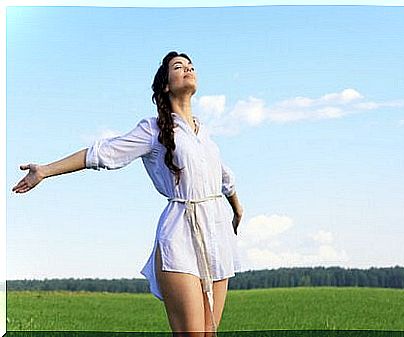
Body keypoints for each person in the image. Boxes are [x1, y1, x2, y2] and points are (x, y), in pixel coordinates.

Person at [11, 51, 244, 337]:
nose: (188, 68)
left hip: (217, 235)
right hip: (181, 234)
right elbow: (102, 154)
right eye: (178, 66)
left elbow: (224, 176)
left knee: (211, 333)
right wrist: (45, 170)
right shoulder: (153, 129)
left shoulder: (203, 133)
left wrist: (237, 208)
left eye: (190, 65)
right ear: (166, 85)